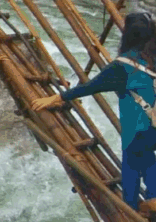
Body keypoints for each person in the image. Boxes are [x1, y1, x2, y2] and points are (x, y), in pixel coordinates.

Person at [32, 11, 156, 211]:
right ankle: (154, 197)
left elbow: (89, 87)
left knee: (132, 165)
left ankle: (132, 208)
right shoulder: (153, 58)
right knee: (149, 158)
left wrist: (54, 98)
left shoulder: (123, 65)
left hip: (138, 125)